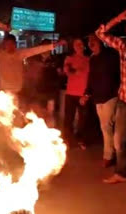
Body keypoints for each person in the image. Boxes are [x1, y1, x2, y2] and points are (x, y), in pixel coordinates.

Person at [95, 9, 126, 184]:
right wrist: (118, 18)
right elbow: (100, 33)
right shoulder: (123, 46)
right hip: (124, 101)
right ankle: (121, 173)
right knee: (119, 141)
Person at [80, 35, 120, 168]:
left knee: (106, 126)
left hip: (110, 96)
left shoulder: (111, 55)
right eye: (89, 41)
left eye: (94, 41)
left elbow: (118, 73)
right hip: (98, 98)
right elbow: (91, 78)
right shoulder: (93, 59)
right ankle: (112, 154)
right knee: (106, 127)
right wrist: (87, 93)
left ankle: (108, 156)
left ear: (100, 42)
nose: (91, 43)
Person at [63, 38, 89, 150]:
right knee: (69, 118)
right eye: (76, 44)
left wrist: (88, 94)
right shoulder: (69, 58)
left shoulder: (89, 59)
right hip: (71, 93)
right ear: (73, 46)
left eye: (80, 44)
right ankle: (66, 140)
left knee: (83, 119)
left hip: (83, 94)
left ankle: (80, 139)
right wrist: (74, 71)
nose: (79, 46)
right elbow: (67, 70)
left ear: (83, 46)